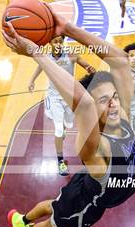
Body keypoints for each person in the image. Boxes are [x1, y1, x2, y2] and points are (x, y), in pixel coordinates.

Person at [2, 4, 135, 227]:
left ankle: (20, 218)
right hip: (86, 205)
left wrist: (68, 29)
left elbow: (120, 61)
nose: (112, 104)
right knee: (56, 223)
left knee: (55, 203)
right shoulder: (96, 148)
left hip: (83, 185)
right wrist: (35, 52)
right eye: (103, 101)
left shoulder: (123, 119)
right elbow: (85, 105)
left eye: (113, 97)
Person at [28, 35, 95, 176]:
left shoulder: (71, 55)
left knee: (67, 125)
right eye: (55, 41)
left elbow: (84, 63)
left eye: (60, 41)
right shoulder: (45, 57)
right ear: (50, 43)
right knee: (58, 129)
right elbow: (39, 67)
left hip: (69, 96)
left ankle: (62, 129)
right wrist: (32, 80)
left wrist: (89, 67)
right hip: (54, 97)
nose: (58, 44)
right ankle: (60, 161)